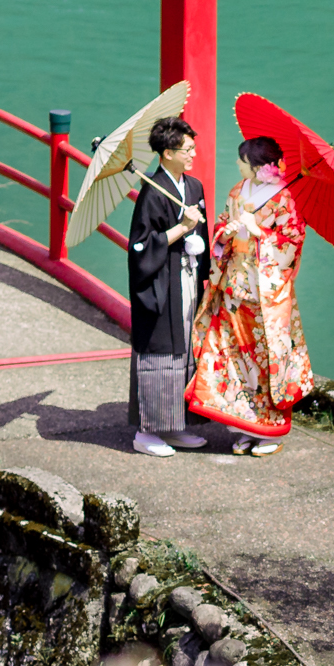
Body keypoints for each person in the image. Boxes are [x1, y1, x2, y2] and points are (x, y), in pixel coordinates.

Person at [184, 130, 315, 450]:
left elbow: (292, 243)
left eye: (243, 162)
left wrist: (261, 235)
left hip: (266, 294)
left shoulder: (285, 199)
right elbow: (222, 225)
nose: (239, 166)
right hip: (234, 285)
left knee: (266, 359)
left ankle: (268, 429)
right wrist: (226, 233)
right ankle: (246, 424)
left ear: (259, 166)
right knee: (234, 355)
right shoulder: (238, 191)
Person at [120, 118, 210, 456]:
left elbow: (199, 234)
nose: (193, 154)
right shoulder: (151, 193)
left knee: (185, 350)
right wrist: (181, 228)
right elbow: (140, 249)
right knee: (160, 354)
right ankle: (146, 432)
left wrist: (198, 243)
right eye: (187, 149)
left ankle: (175, 426)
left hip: (187, 278)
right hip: (161, 284)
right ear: (167, 152)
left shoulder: (194, 187)